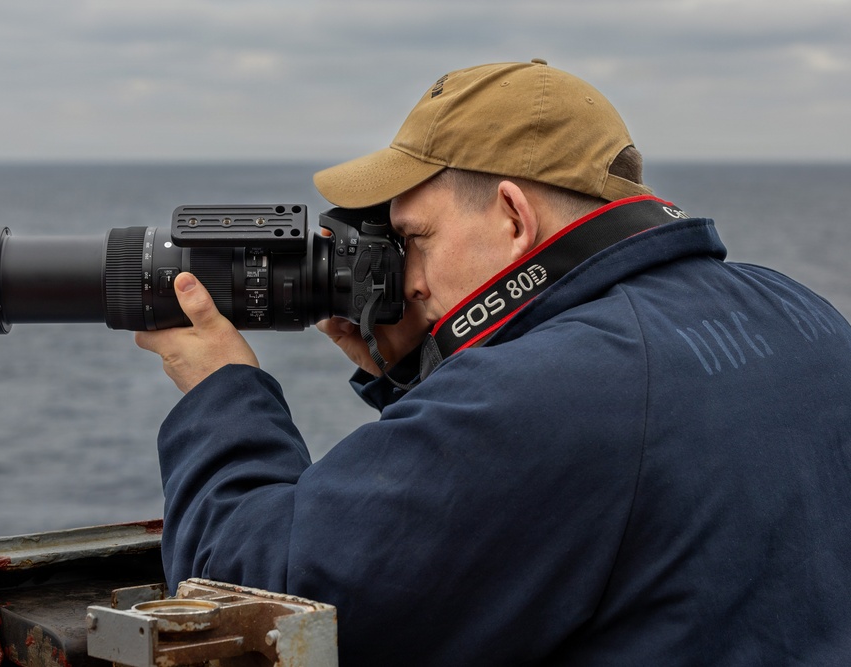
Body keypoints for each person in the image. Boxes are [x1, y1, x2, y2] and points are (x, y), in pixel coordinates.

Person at [135, 61, 851, 665]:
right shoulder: (797, 309)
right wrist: (418, 378)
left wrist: (219, 388)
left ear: (513, 216)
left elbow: (255, 597)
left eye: (415, 237)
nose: (407, 277)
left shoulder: (559, 387)